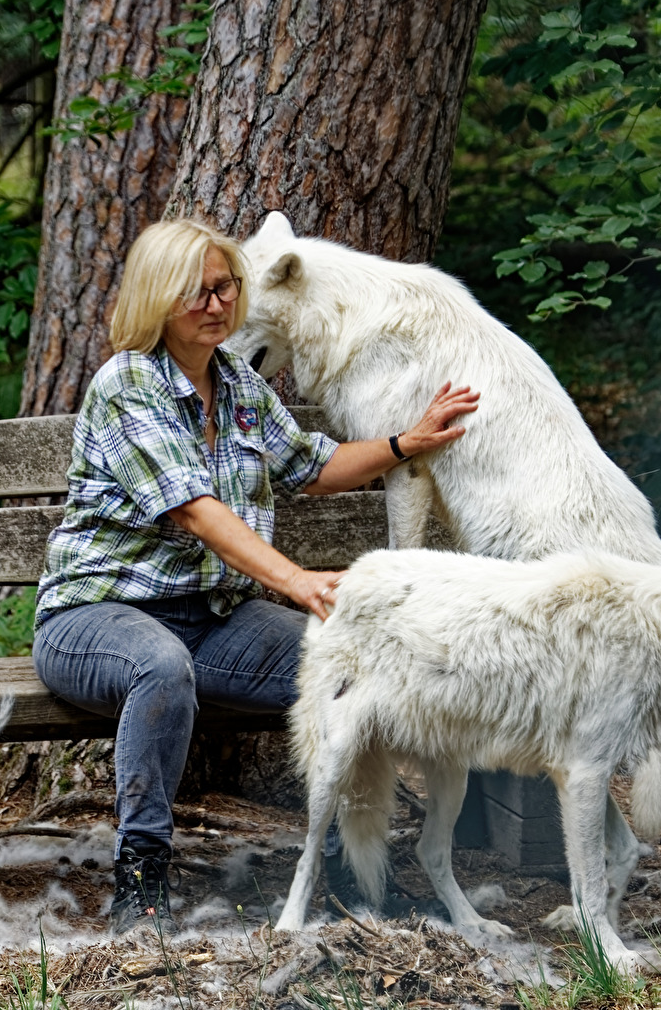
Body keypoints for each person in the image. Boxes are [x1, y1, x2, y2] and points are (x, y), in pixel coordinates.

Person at [33, 219, 479, 933]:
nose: (217, 304)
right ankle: (141, 882)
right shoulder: (127, 385)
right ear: (156, 298)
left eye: (226, 286)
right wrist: (298, 580)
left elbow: (311, 464)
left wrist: (406, 443)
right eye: (197, 292)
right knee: (159, 667)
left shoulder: (237, 381)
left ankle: (349, 866)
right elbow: (196, 512)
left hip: (212, 618)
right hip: (97, 617)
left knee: (346, 663)